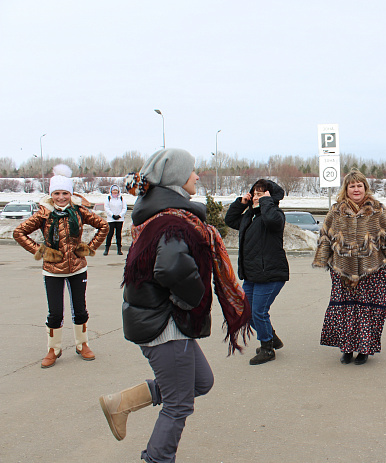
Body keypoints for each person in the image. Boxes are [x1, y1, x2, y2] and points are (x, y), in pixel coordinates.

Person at [99, 148, 250, 462]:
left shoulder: (165, 214)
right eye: (193, 171)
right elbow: (170, 268)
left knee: (201, 381)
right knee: (179, 404)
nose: (197, 176)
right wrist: (195, 300)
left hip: (160, 320)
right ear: (177, 177)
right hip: (166, 324)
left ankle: (121, 402)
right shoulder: (173, 221)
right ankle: (157, 459)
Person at [13, 164, 109, 368]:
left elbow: (103, 226)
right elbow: (19, 233)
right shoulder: (43, 214)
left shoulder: (79, 211)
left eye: (65, 193)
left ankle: (82, 344)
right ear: (51, 194)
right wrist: (41, 252)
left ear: (70, 193)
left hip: (77, 268)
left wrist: (89, 248)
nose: (61, 197)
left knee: (80, 309)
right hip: (52, 270)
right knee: (55, 312)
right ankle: (53, 349)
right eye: (56, 193)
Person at [312, 168, 386, 365]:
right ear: (346, 189)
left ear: (365, 188)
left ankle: (364, 349)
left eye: (359, 185)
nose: (356, 189)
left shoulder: (378, 209)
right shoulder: (336, 210)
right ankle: (347, 349)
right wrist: (323, 259)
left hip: (373, 270)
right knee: (346, 310)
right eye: (352, 186)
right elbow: (325, 236)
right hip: (343, 270)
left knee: (367, 310)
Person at [224, 179, 289, 365]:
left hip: (270, 273)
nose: (256, 197)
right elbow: (230, 220)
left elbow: (271, 221)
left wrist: (266, 202)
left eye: (261, 194)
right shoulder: (250, 216)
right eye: (254, 193)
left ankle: (268, 348)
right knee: (247, 313)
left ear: (270, 196)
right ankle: (271, 337)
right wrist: (241, 203)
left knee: (259, 312)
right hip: (253, 274)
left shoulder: (275, 214)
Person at [102, 184, 127, 255]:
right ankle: (106, 249)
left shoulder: (121, 199)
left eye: (116, 190)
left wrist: (120, 215)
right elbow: (106, 208)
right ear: (111, 191)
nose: (115, 192)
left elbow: (124, 208)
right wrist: (112, 215)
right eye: (114, 190)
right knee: (110, 234)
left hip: (119, 219)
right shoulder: (108, 198)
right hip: (111, 219)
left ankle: (119, 249)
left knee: (118, 235)